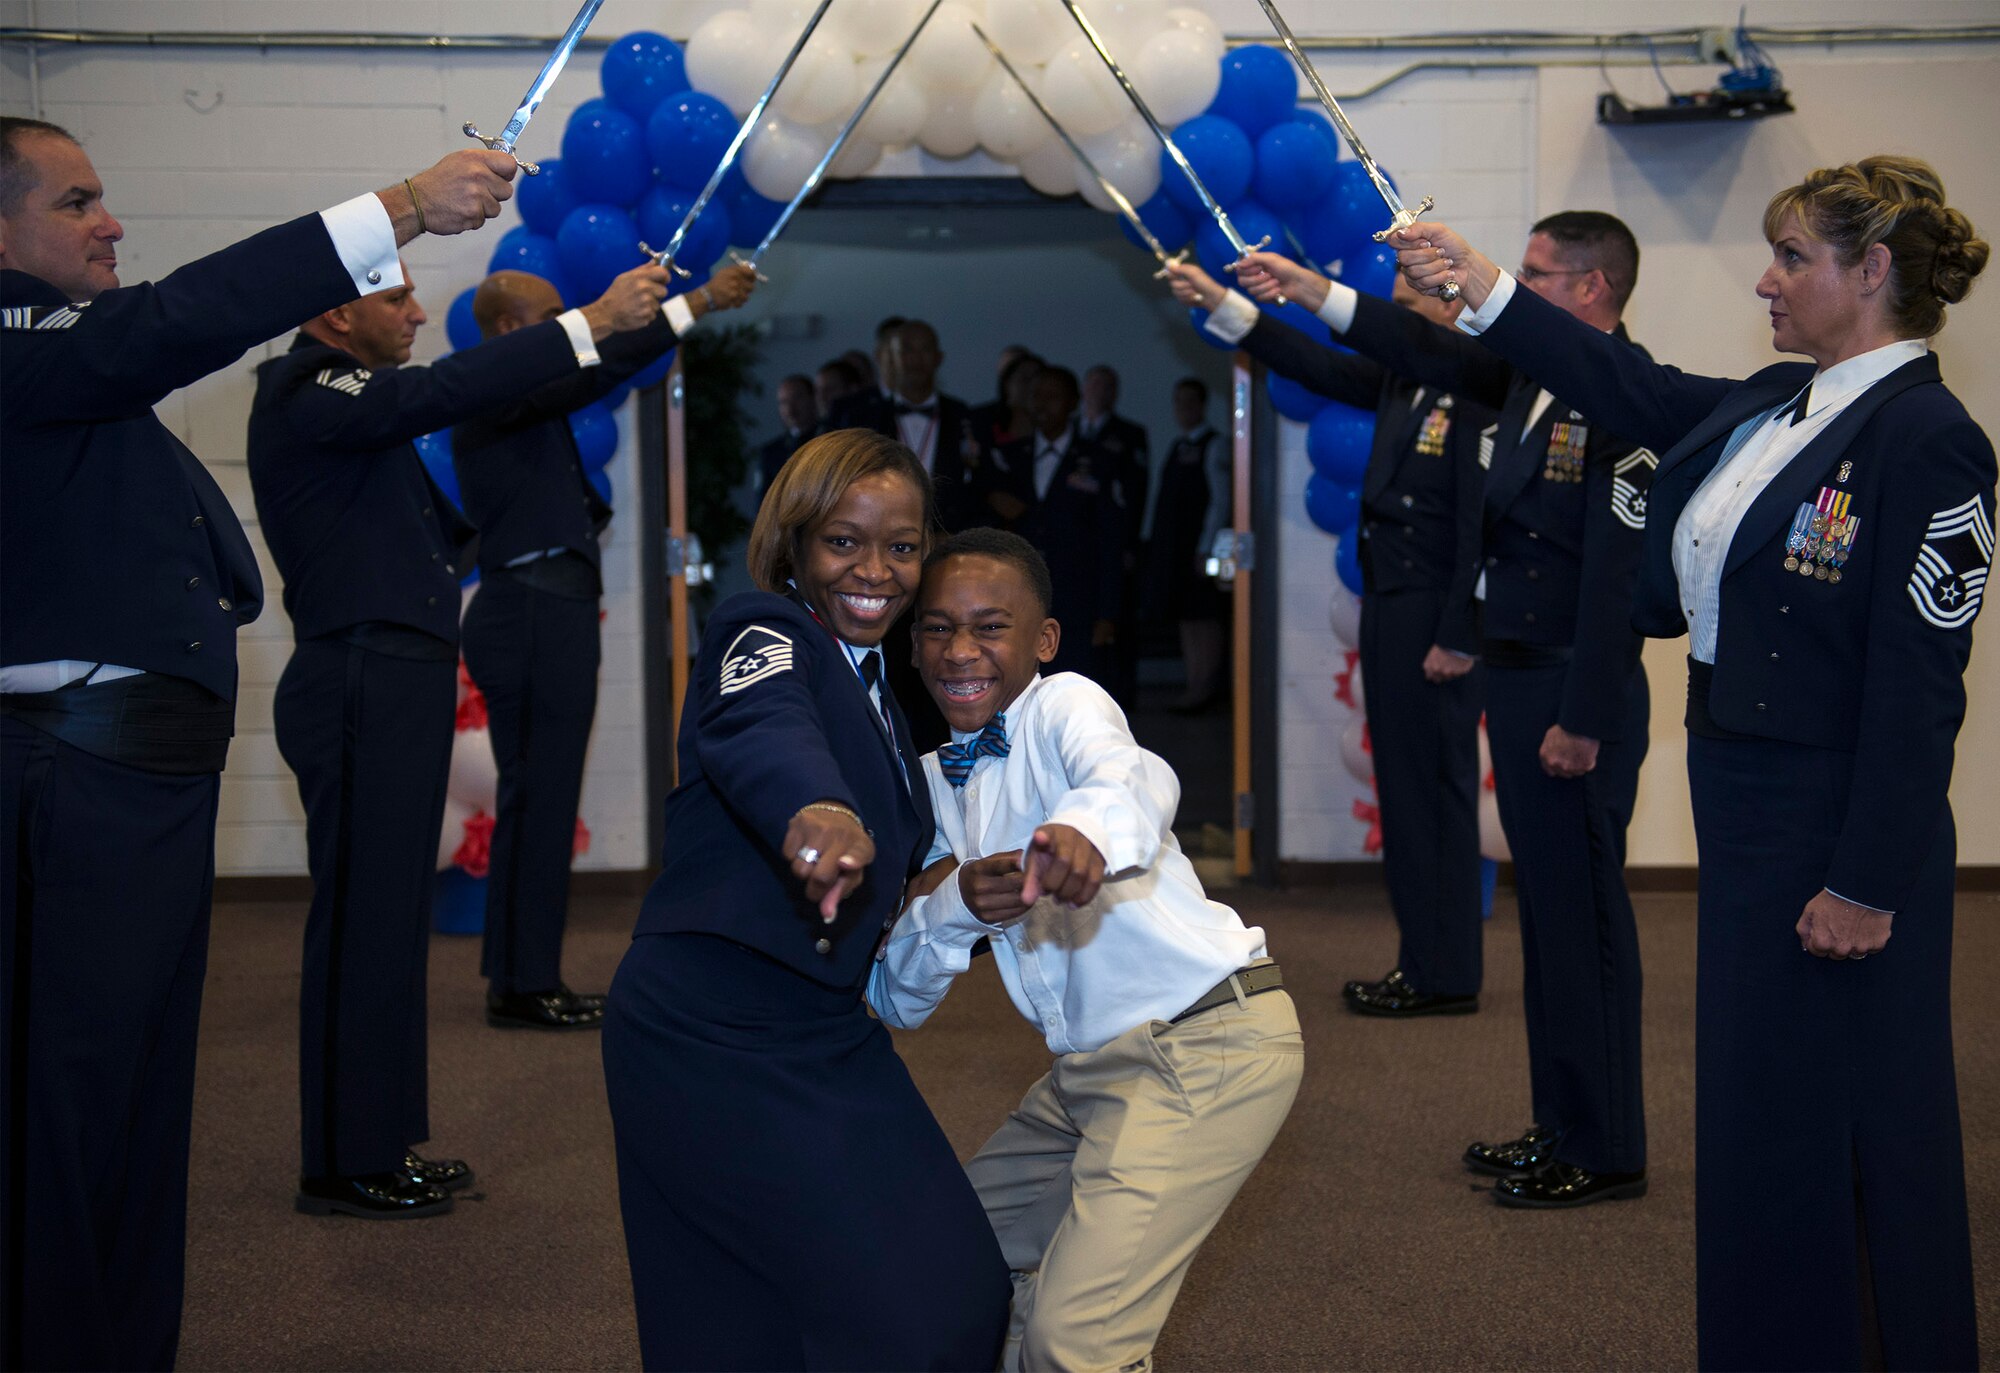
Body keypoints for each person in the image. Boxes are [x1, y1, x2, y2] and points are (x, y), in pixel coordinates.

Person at [1394, 157, 1989, 1368]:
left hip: (1833, 825)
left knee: (1862, 1119)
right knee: (1765, 1118)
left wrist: (1867, 879)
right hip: (1749, 801)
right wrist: (1488, 290)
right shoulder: (1782, 401)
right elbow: (1624, 378)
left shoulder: (1926, 438)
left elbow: (1919, 688)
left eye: (1790, 258)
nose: (1764, 281)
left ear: (1870, 271)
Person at [0, 113, 515, 1368]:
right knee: (69, 1106)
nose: (109, 221)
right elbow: (177, 320)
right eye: (77, 202)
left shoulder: (70, 364)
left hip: (133, 778)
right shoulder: (31, 344)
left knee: (130, 1099)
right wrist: (395, 206)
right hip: (80, 774)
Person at [1236, 215, 1655, 1208]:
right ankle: (1559, 1123)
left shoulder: (1622, 391)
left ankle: (1603, 1145)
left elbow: (1615, 578)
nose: (1511, 283)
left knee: (1584, 932)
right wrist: (1303, 289)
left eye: (1540, 273)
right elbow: (1407, 346)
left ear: (1592, 289)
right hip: (1518, 682)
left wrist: (1582, 712)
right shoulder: (1523, 380)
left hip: (1571, 694)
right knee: (1547, 934)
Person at [247, 255, 676, 1218]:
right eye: (394, 296)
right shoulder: (305, 386)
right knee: (363, 925)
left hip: (394, 676)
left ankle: (378, 1140)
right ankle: (342, 1157)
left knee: (390, 925)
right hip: (359, 675)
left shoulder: (352, 407)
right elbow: (446, 387)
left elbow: (440, 521)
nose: (417, 309)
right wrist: (590, 320)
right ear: (331, 311)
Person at [601, 430, 1011, 1370]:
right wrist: (816, 807)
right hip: (708, 1025)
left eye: (902, 547)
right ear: (793, 545)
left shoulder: (879, 686)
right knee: (741, 1314)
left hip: (822, 1025)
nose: (876, 570)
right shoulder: (765, 628)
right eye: (843, 541)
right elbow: (761, 724)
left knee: (946, 1289)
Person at [870, 528, 1303, 1373]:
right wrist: (954, 905)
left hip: (1207, 1044)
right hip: (1086, 1077)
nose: (961, 651)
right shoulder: (927, 782)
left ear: (1044, 641)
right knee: (943, 1257)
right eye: (936, 628)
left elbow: (1132, 779)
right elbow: (896, 997)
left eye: (990, 627)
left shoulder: (1065, 706)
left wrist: (1082, 831)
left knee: (1076, 1346)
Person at [1168, 261, 1489, 1017]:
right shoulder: (1404, 378)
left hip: (1433, 616)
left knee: (1433, 793)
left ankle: (1444, 973)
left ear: (1449, 311)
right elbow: (1309, 362)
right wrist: (1227, 307)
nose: (1396, 324)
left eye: (1410, 311)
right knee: (1406, 791)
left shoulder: (1478, 384)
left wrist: (1459, 632)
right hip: (1392, 603)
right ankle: (1428, 962)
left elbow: (1482, 526)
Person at [454, 263, 758, 1033]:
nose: (568, 326)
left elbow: (594, 370)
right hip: (530, 609)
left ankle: (520, 976)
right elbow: (603, 364)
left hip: (539, 607)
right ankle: (525, 982)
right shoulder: (496, 384)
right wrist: (692, 305)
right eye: (552, 315)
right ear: (511, 329)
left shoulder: (515, 388)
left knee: (540, 798)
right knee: (541, 798)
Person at [980, 366, 1124, 687]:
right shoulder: (1011, 456)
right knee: (1017, 684)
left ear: (1073, 402)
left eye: (1053, 397)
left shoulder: (1098, 459)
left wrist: (1108, 613)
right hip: (1019, 593)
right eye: (1036, 397)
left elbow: (1111, 541)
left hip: (1077, 598)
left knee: (1075, 685)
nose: (1043, 405)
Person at [1140, 377, 1231, 711]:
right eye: (1178, 402)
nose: (1183, 409)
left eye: (1190, 401)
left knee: (1204, 617)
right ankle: (1194, 684)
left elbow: (1220, 502)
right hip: (1175, 550)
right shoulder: (1178, 446)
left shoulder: (1215, 445)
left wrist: (1206, 546)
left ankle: (1206, 687)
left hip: (1199, 550)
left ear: (1202, 405)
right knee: (1184, 617)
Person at [1080, 364, 1151, 706]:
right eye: (1094, 385)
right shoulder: (1073, 432)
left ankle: (1122, 694)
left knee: (1118, 619)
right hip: (1081, 542)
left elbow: (1135, 493)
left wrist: (1129, 542)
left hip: (1115, 540)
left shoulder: (1129, 434)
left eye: (1106, 386)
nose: (1099, 392)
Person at [759, 371, 818, 492]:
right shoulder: (771, 452)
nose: (790, 408)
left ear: (813, 398)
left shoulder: (829, 440)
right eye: (784, 402)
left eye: (798, 398)